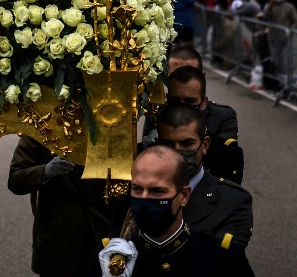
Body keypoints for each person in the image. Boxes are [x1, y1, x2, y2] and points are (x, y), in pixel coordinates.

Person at [97, 143, 254, 277]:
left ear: (184, 196)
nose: (145, 198)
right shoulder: (106, 259)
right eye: (137, 189)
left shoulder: (223, 259)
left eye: (157, 191)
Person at [8, 135, 123, 276]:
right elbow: (15, 179)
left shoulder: (110, 121)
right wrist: (45, 171)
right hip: (58, 239)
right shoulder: (42, 124)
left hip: (100, 232)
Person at [155, 104, 253, 248]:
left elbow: (222, 262)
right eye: (168, 144)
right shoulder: (135, 194)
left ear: (205, 145)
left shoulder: (234, 202)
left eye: (187, 143)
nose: (177, 153)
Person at [167, 66, 244, 183]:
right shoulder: (157, 120)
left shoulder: (226, 150)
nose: (182, 109)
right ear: (167, 99)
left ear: (203, 103)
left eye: (190, 102)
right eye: (175, 101)